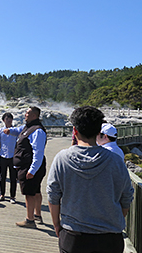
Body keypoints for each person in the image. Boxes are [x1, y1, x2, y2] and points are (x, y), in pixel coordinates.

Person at [46, 106, 134, 253]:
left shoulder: (62, 158)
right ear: (99, 131)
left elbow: (53, 196)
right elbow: (126, 197)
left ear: (75, 130)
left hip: (73, 236)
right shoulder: (115, 161)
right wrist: (113, 220)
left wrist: (57, 225)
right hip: (110, 239)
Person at [4, 106, 46, 228]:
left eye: (27, 113)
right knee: (36, 190)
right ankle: (37, 215)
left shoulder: (38, 131)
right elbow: (19, 131)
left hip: (29, 166)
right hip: (29, 166)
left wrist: (32, 170)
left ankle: (30, 220)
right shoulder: (28, 127)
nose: (25, 114)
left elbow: (38, 152)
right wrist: (10, 131)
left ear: (34, 115)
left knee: (29, 193)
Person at [0, 112, 18, 203]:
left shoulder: (15, 131)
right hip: (3, 156)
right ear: (3, 120)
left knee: (13, 178)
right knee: (2, 177)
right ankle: (2, 195)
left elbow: (18, 144)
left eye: (10, 119)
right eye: (7, 119)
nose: (9, 120)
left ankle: (12, 196)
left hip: (13, 156)